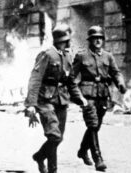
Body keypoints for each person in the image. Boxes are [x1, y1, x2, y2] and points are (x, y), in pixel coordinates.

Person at [25, 24, 88, 173]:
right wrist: (31, 105)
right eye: (67, 40)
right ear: (60, 41)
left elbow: (71, 81)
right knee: (54, 136)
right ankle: (50, 168)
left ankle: (40, 157)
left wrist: (80, 99)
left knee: (58, 138)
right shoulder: (46, 55)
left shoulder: (67, 57)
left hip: (61, 100)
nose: (69, 43)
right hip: (45, 100)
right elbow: (35, 80)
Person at [73, 26, 127, 172]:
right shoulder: (81, 56)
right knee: (92, 124)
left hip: (103, 95)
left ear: (103, 40)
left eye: (100, 38)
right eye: (94, 38)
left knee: (96, 126)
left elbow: (116, 72)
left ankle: (82, 150)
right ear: (89, 40)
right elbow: (72, 77)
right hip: (87, 95)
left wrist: (120, 83)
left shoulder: (108, 56)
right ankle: (98, 158)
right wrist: (76, 95)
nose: (97, 40)